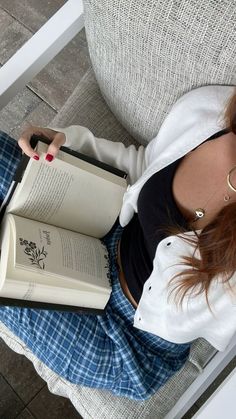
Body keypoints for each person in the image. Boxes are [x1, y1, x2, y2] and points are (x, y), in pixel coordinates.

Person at [0, 85, 235, 400]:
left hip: (126, 338)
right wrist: (66, 143)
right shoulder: (211, 111)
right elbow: (144, 164)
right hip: (107, 231)